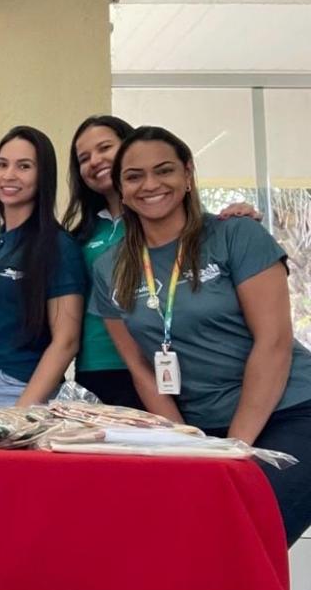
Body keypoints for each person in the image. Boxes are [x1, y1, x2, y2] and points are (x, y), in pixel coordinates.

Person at [91, 125, 311, 546]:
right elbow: (140, 367)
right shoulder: (110, 268)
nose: (151, 184)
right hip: (201, 428)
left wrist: (235, 447)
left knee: (246, 532)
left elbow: (274, 343)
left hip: (292, 411)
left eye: (165, 170)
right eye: (134, 176)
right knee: (187, 537)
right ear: (120, 187)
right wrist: (185, 447)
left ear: (188, 174)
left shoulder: (236, 235)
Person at [63, 115, 260, 408]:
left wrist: (241, 215)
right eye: (84, 158)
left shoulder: (171, 219)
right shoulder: (78, 236)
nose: (95, 161)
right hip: (98, 365)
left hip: (168, 365)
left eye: (105, 147)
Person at [0, 126, 86, 407]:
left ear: (43, 175)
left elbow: (66, 341)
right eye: (2, 164)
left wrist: (22, 411)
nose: (9, 175)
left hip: (23, 390)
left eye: (24, 166)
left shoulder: (58, 246)